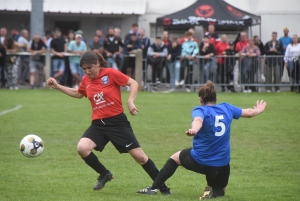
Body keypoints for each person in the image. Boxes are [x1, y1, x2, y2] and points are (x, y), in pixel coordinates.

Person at [46, 51, 171, 195]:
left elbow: (133, 83)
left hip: (117, 123)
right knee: (82, 148)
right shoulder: (86, 80)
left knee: (140, 157)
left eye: (89, 68)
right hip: (98, 124)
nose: (87, 71)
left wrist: (130, 101)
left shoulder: (111, 73)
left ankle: (163, 188)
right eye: (84, 69)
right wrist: (57, 86)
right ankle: (105, 174)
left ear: (98, 63)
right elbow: (79, 94)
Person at [136, 81, 267, 200]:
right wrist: (258, 110)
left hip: (200, 161)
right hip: (222, 164)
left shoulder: (200, 110)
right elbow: (248, 113)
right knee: (221, 191)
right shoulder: (227, 108)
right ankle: (212, 192)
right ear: (216, 99)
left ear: (200, 99)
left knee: (175, 158)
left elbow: (198, 120)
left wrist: (194, 129)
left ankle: (153, 188)